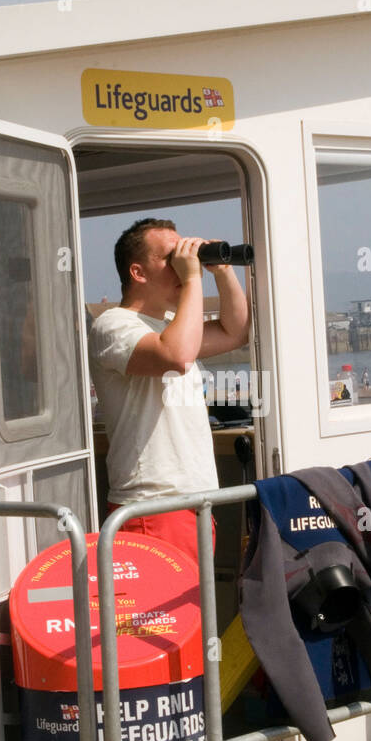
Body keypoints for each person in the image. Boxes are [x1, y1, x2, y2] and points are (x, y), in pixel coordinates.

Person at [88, 218, 250, 563]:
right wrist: (192, 278)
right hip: (152, 509)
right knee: (161, 618)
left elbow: (235, 332)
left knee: (195, 616)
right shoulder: (113, 325)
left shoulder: (169, 329)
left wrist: (221, 271)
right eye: (170, 258)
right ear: (138, 272)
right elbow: (175, 355)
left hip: (191, 505)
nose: (181, 264)